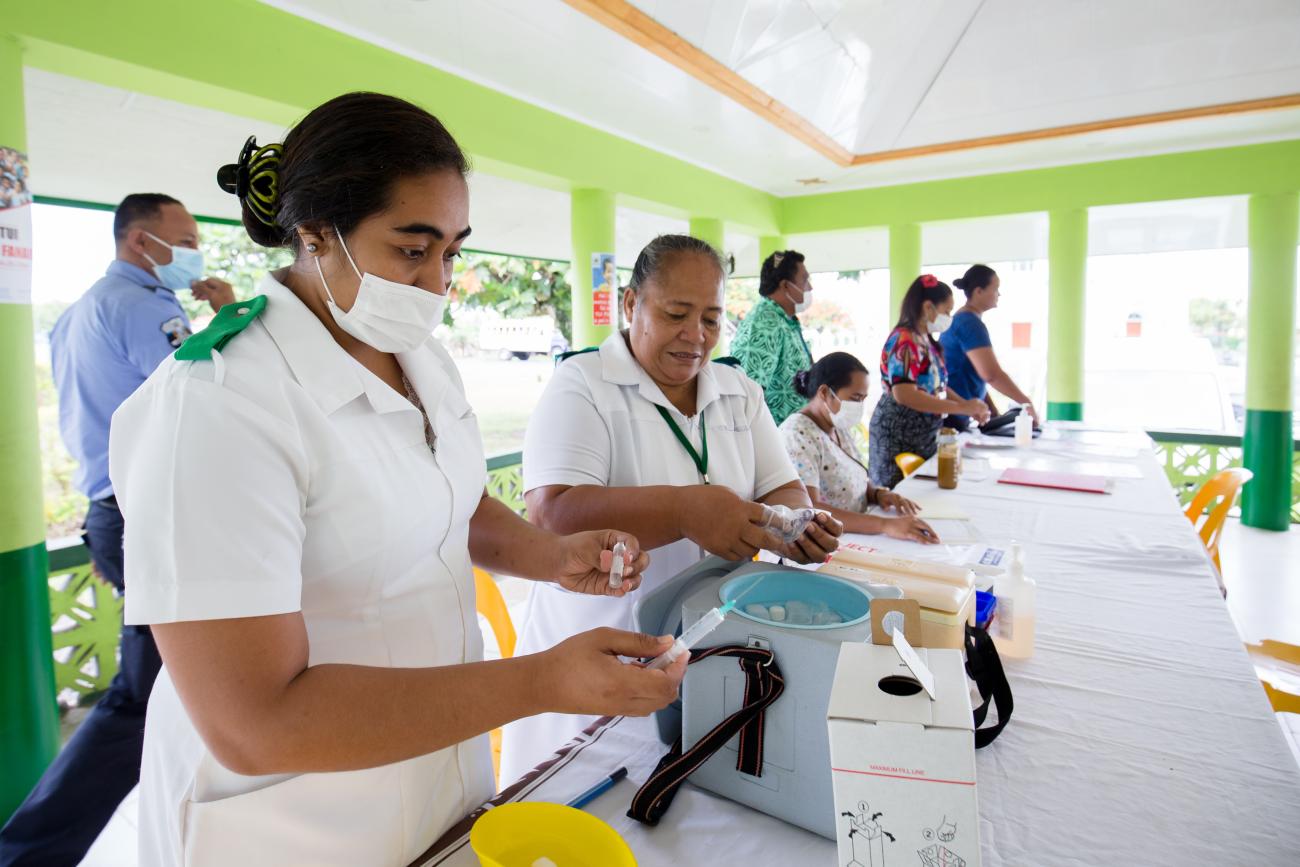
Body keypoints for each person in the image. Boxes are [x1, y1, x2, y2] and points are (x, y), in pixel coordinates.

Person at [105, 93, 686, 867]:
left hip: (434, 786)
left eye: (451, 251)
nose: (438, 284)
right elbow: (253, 721)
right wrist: (540, 681)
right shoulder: (216, 406)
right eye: (412, 250)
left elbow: (449, 495)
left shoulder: (415, 354)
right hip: (297, 822)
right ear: (314, 234)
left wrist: (550, 555)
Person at [501, 234, 842, 782]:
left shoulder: (739, 391)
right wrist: (685, 512)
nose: (696, 336)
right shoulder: (583, 385)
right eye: (677, 313)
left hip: (712, 651)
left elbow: (783, 488)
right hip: (600, 656)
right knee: (591, 806)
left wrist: (794, 527)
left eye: (710, 318)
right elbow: (551, 514)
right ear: (632, 304)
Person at [0, 194, 235, 866]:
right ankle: (25, 852)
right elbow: (204, 399)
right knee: (145, 698)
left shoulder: (78, 313)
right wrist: (229, 320)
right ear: (140, 241)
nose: (194, 250)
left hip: (110, 509)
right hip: (144, 513)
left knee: (171, 690)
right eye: (184, 238)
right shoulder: (146, 309)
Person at [782, 353, 939, 544]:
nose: (859, 406)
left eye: (863, 399)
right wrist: (885, 525)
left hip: (855, 534)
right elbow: (810, 508)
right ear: (824, 392)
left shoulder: (836, 426)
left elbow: (849, 479)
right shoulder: (796, 434)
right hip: (825, 544)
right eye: (855, 398)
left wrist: (877, 494)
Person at [867, 274, 990, 489]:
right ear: (928, 307)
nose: (949, 317)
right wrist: (961, 407)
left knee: (926, 491)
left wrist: (967, 406)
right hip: (899, 431)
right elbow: (904, 394)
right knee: (901, 494)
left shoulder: (926, 341)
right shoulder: (904, 339)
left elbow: (937, 386)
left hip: (923, 431)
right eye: (946, 311)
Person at [941, 264, 1039, 430]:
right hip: (954, 414)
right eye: (995, 289)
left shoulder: (964, 320)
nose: (998, 294)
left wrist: (994, 413)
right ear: (978, 291)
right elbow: (991, 375)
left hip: (961, 412)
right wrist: (1026, 403)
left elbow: (977, 376)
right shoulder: (969, 323)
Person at [730, 248, 814, 424]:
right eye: (805, 280)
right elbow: (747, 396)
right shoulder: (763, 323)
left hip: (793, 436)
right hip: (774, 440)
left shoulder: (785, 321)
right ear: (785, 285)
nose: (810, 287)